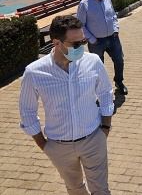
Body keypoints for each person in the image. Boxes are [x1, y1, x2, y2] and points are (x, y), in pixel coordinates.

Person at [19, 15, 114, 195]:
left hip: (94, 138)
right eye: (75, 44)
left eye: (83, 41)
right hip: (59, 146)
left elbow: (105, 94)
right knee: (75, 189)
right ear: (56, 43)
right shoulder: (34, 72)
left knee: (101, 190)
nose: (81, 48)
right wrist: (44, 145)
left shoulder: (92, 62)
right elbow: (27, 111)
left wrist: (105, 128)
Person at [77, 0, 127, 95]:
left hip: (113, 38)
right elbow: (80, 25)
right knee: (98, 66)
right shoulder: (84, 5)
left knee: (119, 61)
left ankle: (119, 82)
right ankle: (101, 89)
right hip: (97, 42)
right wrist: (92, 39)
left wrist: (115, 29)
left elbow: (113, 16)